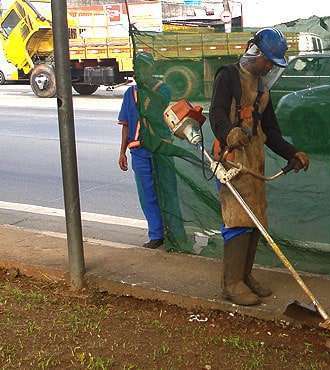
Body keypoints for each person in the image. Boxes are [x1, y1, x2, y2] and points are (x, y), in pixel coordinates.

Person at [209, 28, 310, 306]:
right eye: (268, 61)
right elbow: (215, 113)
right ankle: (231, 284)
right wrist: (228, 132)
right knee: (237, 219)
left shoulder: (263, 88)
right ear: (255, 53)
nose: (269, 67)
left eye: (273, 64)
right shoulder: (228, 76)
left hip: (254, 162)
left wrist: (292, 153)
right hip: (231, 160)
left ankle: (244, 276)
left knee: (254, 221)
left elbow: (271, 132)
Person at [117, 52, 186, 250]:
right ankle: (156, 234)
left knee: (168, 190)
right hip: (138, 150)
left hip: (161, 148)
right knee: (147, 193)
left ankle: (176, 233)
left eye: (144, 67)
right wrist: (122, 152)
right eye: (137, 67)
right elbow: (126, 124)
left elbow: (156, 107)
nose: (140, 72)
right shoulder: (129, 94)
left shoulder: (162, 90)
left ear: (152, 69)